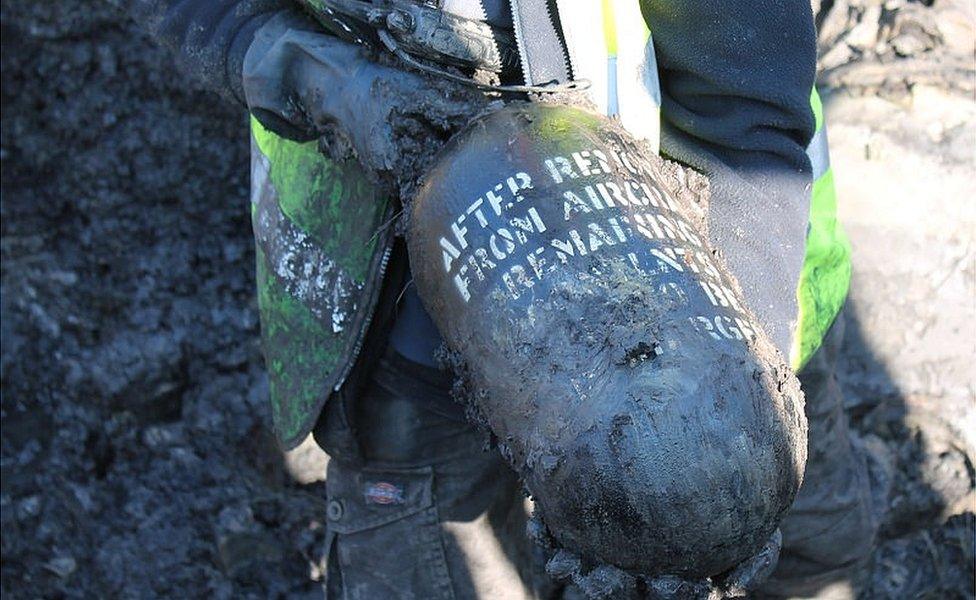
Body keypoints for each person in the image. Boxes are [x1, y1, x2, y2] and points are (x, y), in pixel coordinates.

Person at [132, 0, 883, 597]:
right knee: (445, 556)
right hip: (393, 311)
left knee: (782, 537)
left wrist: (731, 379)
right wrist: (301, 71)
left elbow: (742, 87)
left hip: (707, 245)